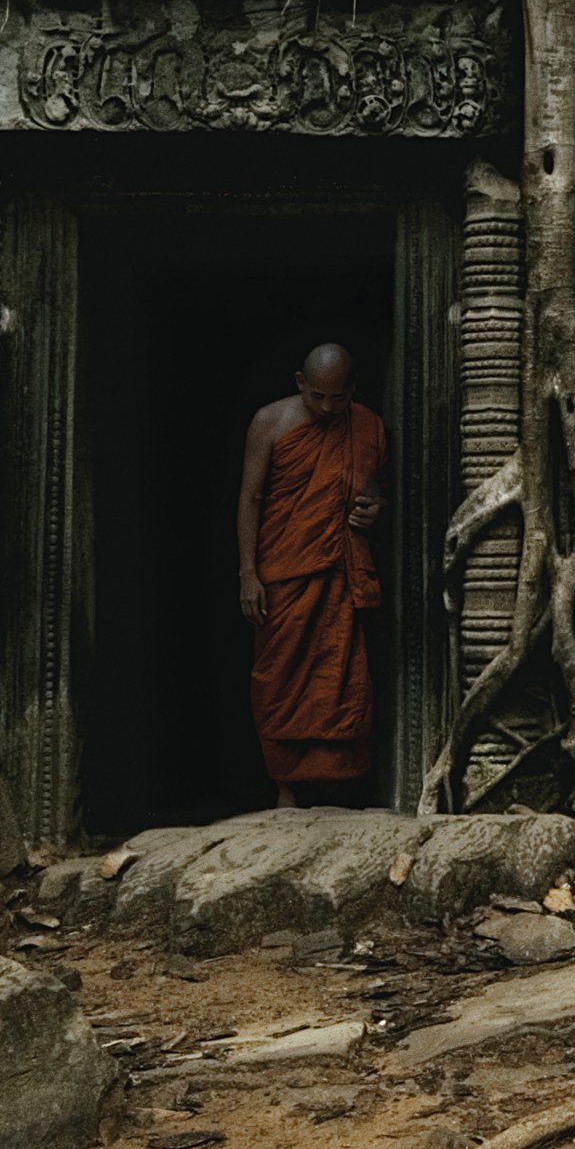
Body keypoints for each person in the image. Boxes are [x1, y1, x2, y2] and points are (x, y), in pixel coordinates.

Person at [237, 342, 386, 807]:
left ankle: (333, 789)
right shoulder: (269, 423)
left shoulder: (367, 426)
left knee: (338, 677)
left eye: (338, 398)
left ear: (353, 390)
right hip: (283, 571)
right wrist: (247, 573)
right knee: (279, 678)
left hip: (338, 573)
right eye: (317, 396)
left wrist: (374, 510)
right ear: (301, 384)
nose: (327, 407)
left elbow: (370, 490)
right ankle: (286, 788)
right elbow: (251, 499)